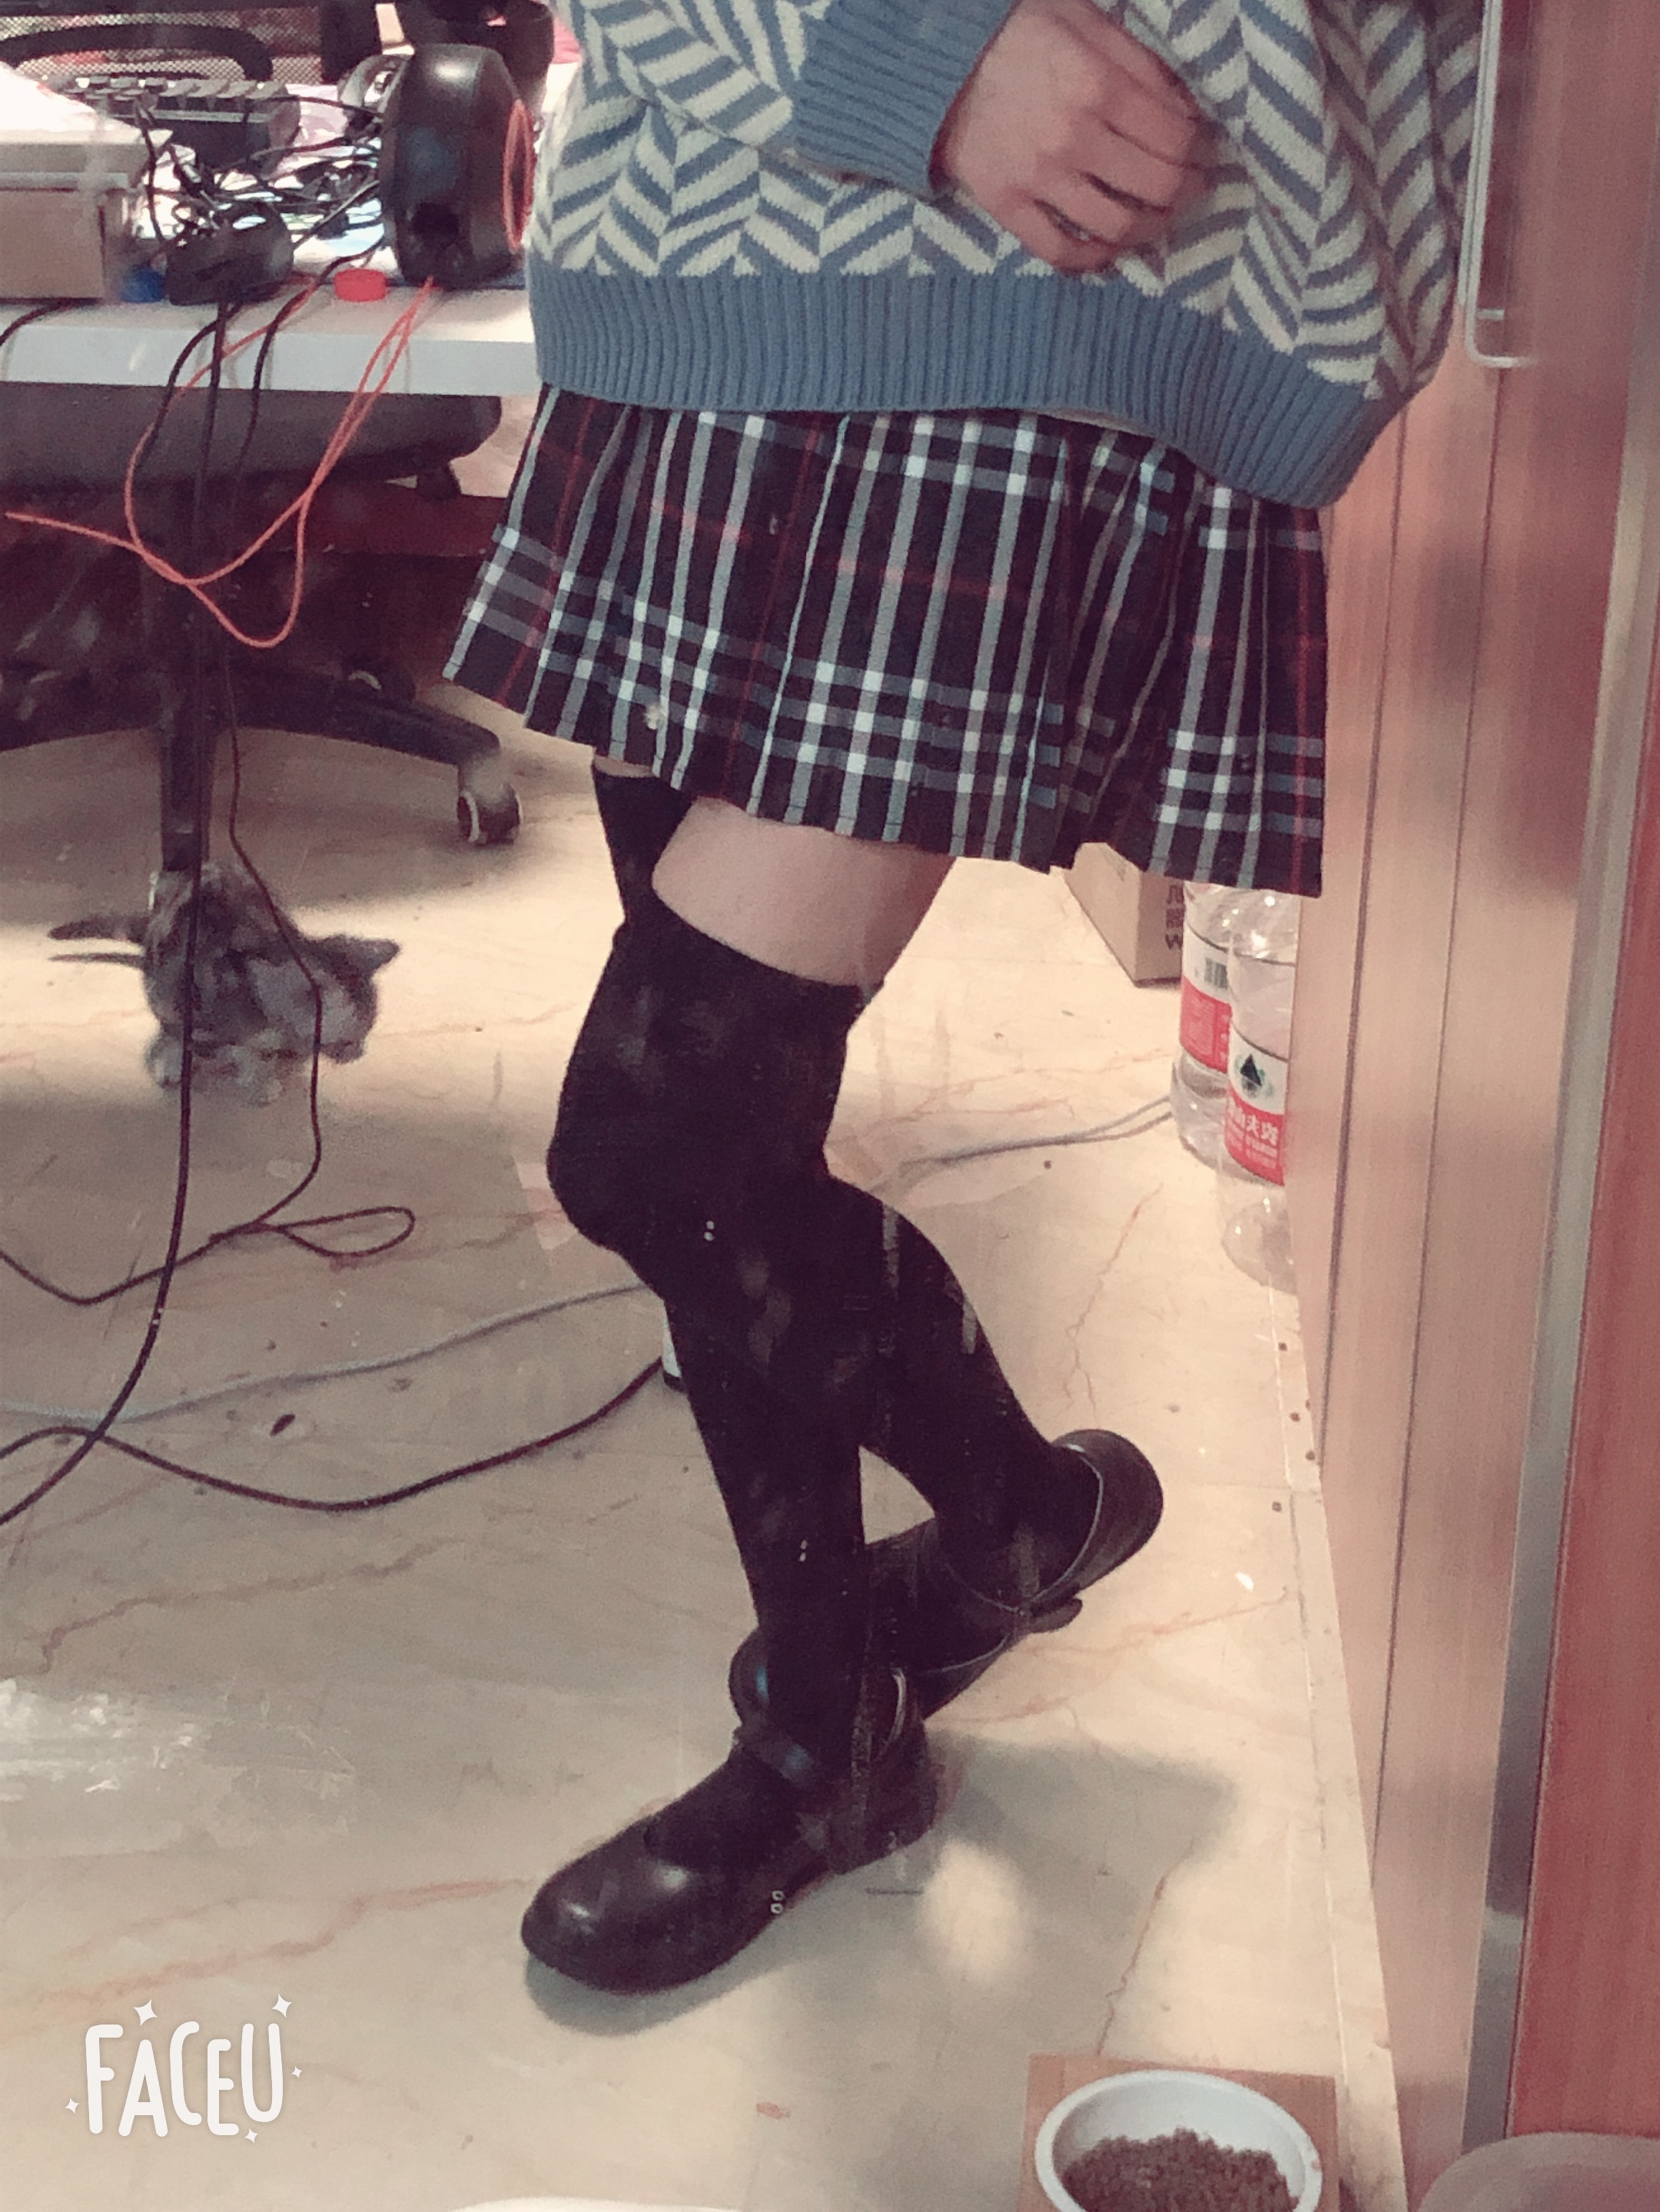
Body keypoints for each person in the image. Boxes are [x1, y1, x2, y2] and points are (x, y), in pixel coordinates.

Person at [447, 0, 1481, 1995]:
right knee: (734, 1150)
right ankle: (855, 1696)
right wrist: (898, 55)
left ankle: (989, 1540)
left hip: (1026, 334)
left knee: (665, 1139)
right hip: (699, 262)